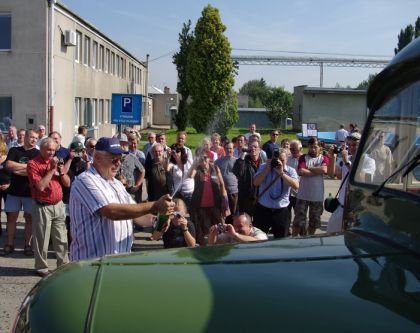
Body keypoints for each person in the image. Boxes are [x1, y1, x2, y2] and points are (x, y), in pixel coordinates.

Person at [69, 137, 175, 261]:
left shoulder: (117, 183)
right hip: (92, 264)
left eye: (120, 159)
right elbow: (111, 212)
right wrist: (155, 206)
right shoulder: (85, 180)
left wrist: (156, 220)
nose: (119, 164)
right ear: (97, 158)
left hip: (117, 262)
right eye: (114, 159)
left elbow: (135, 214)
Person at [27, 138, 70, 277]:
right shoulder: (33, 164)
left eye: (54, 150)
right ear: (42, 149)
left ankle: (63, 265)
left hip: (58, 205)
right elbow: (40, 187)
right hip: (42, 206)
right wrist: (51, 170)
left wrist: (62, 171)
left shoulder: (58, 162)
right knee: (42, 239)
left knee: (61, 237)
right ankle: (41, 268)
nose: (52, 152)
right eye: (49, 149)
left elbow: (67, 184)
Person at [2, 129, 39, 256]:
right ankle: (9, 243)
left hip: (30, 193)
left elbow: (36, 172)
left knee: (29, 219)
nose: (34, 140)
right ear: (26, 137)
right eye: (32, 137)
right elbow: (8, 165)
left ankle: (27, 245)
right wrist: (29, 167)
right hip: (14, 192)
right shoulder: (14, 151)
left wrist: (19, 168)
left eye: (36, 138)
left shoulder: (38, 154)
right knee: (11, 218)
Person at [253, 148, 299, 238]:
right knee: (258, 238)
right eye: (277, 160)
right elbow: (256, 182)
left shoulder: (290, 170)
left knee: (281, 239)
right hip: (263, 209)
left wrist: (282, 173)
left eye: (282, 160)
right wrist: (267, 168)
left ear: (286, 159)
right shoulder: (264, 167)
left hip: (281, 211)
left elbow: (296, 186)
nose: (279, 162)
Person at [292, 137, 329, 236]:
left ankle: (309, 238)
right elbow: (301, 171)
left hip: (317, 197)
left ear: (320, 148)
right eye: (311, 147)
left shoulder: (323, 158)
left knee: (314, 222)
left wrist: (308, 168)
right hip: (303, 195)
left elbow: (324, 170)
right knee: (298, 222)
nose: (313, 149)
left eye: (315, 147)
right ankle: (293, 238)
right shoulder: (303, 157)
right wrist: (317, 171)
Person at [189, 155, 228, 245]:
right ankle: (205, 247)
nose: (204, 159)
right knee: (203, 230)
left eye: (205, 157)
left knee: (218, 228)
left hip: (215, 204)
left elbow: (222, 185)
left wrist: (225, 202)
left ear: (209, 158)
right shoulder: (197, 169)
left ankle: (218, 246)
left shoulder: (215, 168)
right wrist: (195, 163)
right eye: (202, 157)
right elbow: (191, 175)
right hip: (200, 206)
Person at [326, 132, 361, 233]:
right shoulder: (344, 159)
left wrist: (346, 162)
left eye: (354, 145)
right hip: (341, 207)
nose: (351, 148)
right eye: (349, 145)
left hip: (355, 209)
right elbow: (332, 174)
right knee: (330, 233)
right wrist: (332, 157)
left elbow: (358, 178)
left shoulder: (368, 160)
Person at [232, 141, 262, 218]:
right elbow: (238, 172)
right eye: (251, 147)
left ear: (259, 149)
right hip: (246, 198)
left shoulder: (264, 162)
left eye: (255, 147)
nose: (253, 148)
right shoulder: (243, 161)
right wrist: (242, 154)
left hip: (261, 197)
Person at [117, 134, 145, 201]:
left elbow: (142, 171)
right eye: (120, 144)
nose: (122, 146)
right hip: (117, 190)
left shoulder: (132, 157)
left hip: (130, 191)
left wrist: (137, 185)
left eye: (124, 144)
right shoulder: (112, 157)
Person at [215, 142, 238, 223]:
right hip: (221, 191)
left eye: (230, 148)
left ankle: (230, 231)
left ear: (233, 149)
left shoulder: (237, 161)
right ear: (224, 149)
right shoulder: (218, 162)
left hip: (233, 191)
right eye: (227, 148)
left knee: (232, 214)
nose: (229, 150)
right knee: (220, 213)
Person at [166, 145, 194, 210]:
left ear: (181, 152)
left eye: (178, 151)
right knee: (177, 211)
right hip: (177, 193)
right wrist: (168, 156)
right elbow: (167, 169)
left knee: (191, 211)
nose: (176, 154)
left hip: (188, 192)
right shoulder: (172, 163)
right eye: (173, 152)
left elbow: (193, 172)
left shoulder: (188, 162)